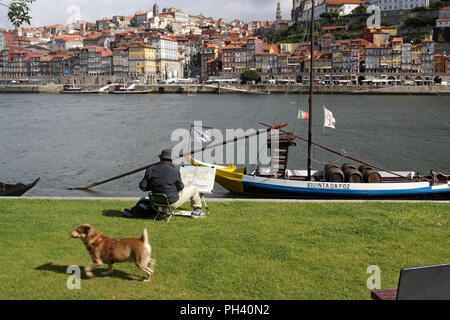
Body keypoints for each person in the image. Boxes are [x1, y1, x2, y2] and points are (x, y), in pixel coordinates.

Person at [138, 149, 206, 218]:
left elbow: (142, 187)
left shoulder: (150, 169)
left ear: (161, 159)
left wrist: (155, 185)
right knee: (193, 188)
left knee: (165, 191)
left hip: (156, 202)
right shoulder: (174, 170)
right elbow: (180, 188)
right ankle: (197, 210)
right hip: (171, 203)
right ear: (172, 160)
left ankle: (163, 211)